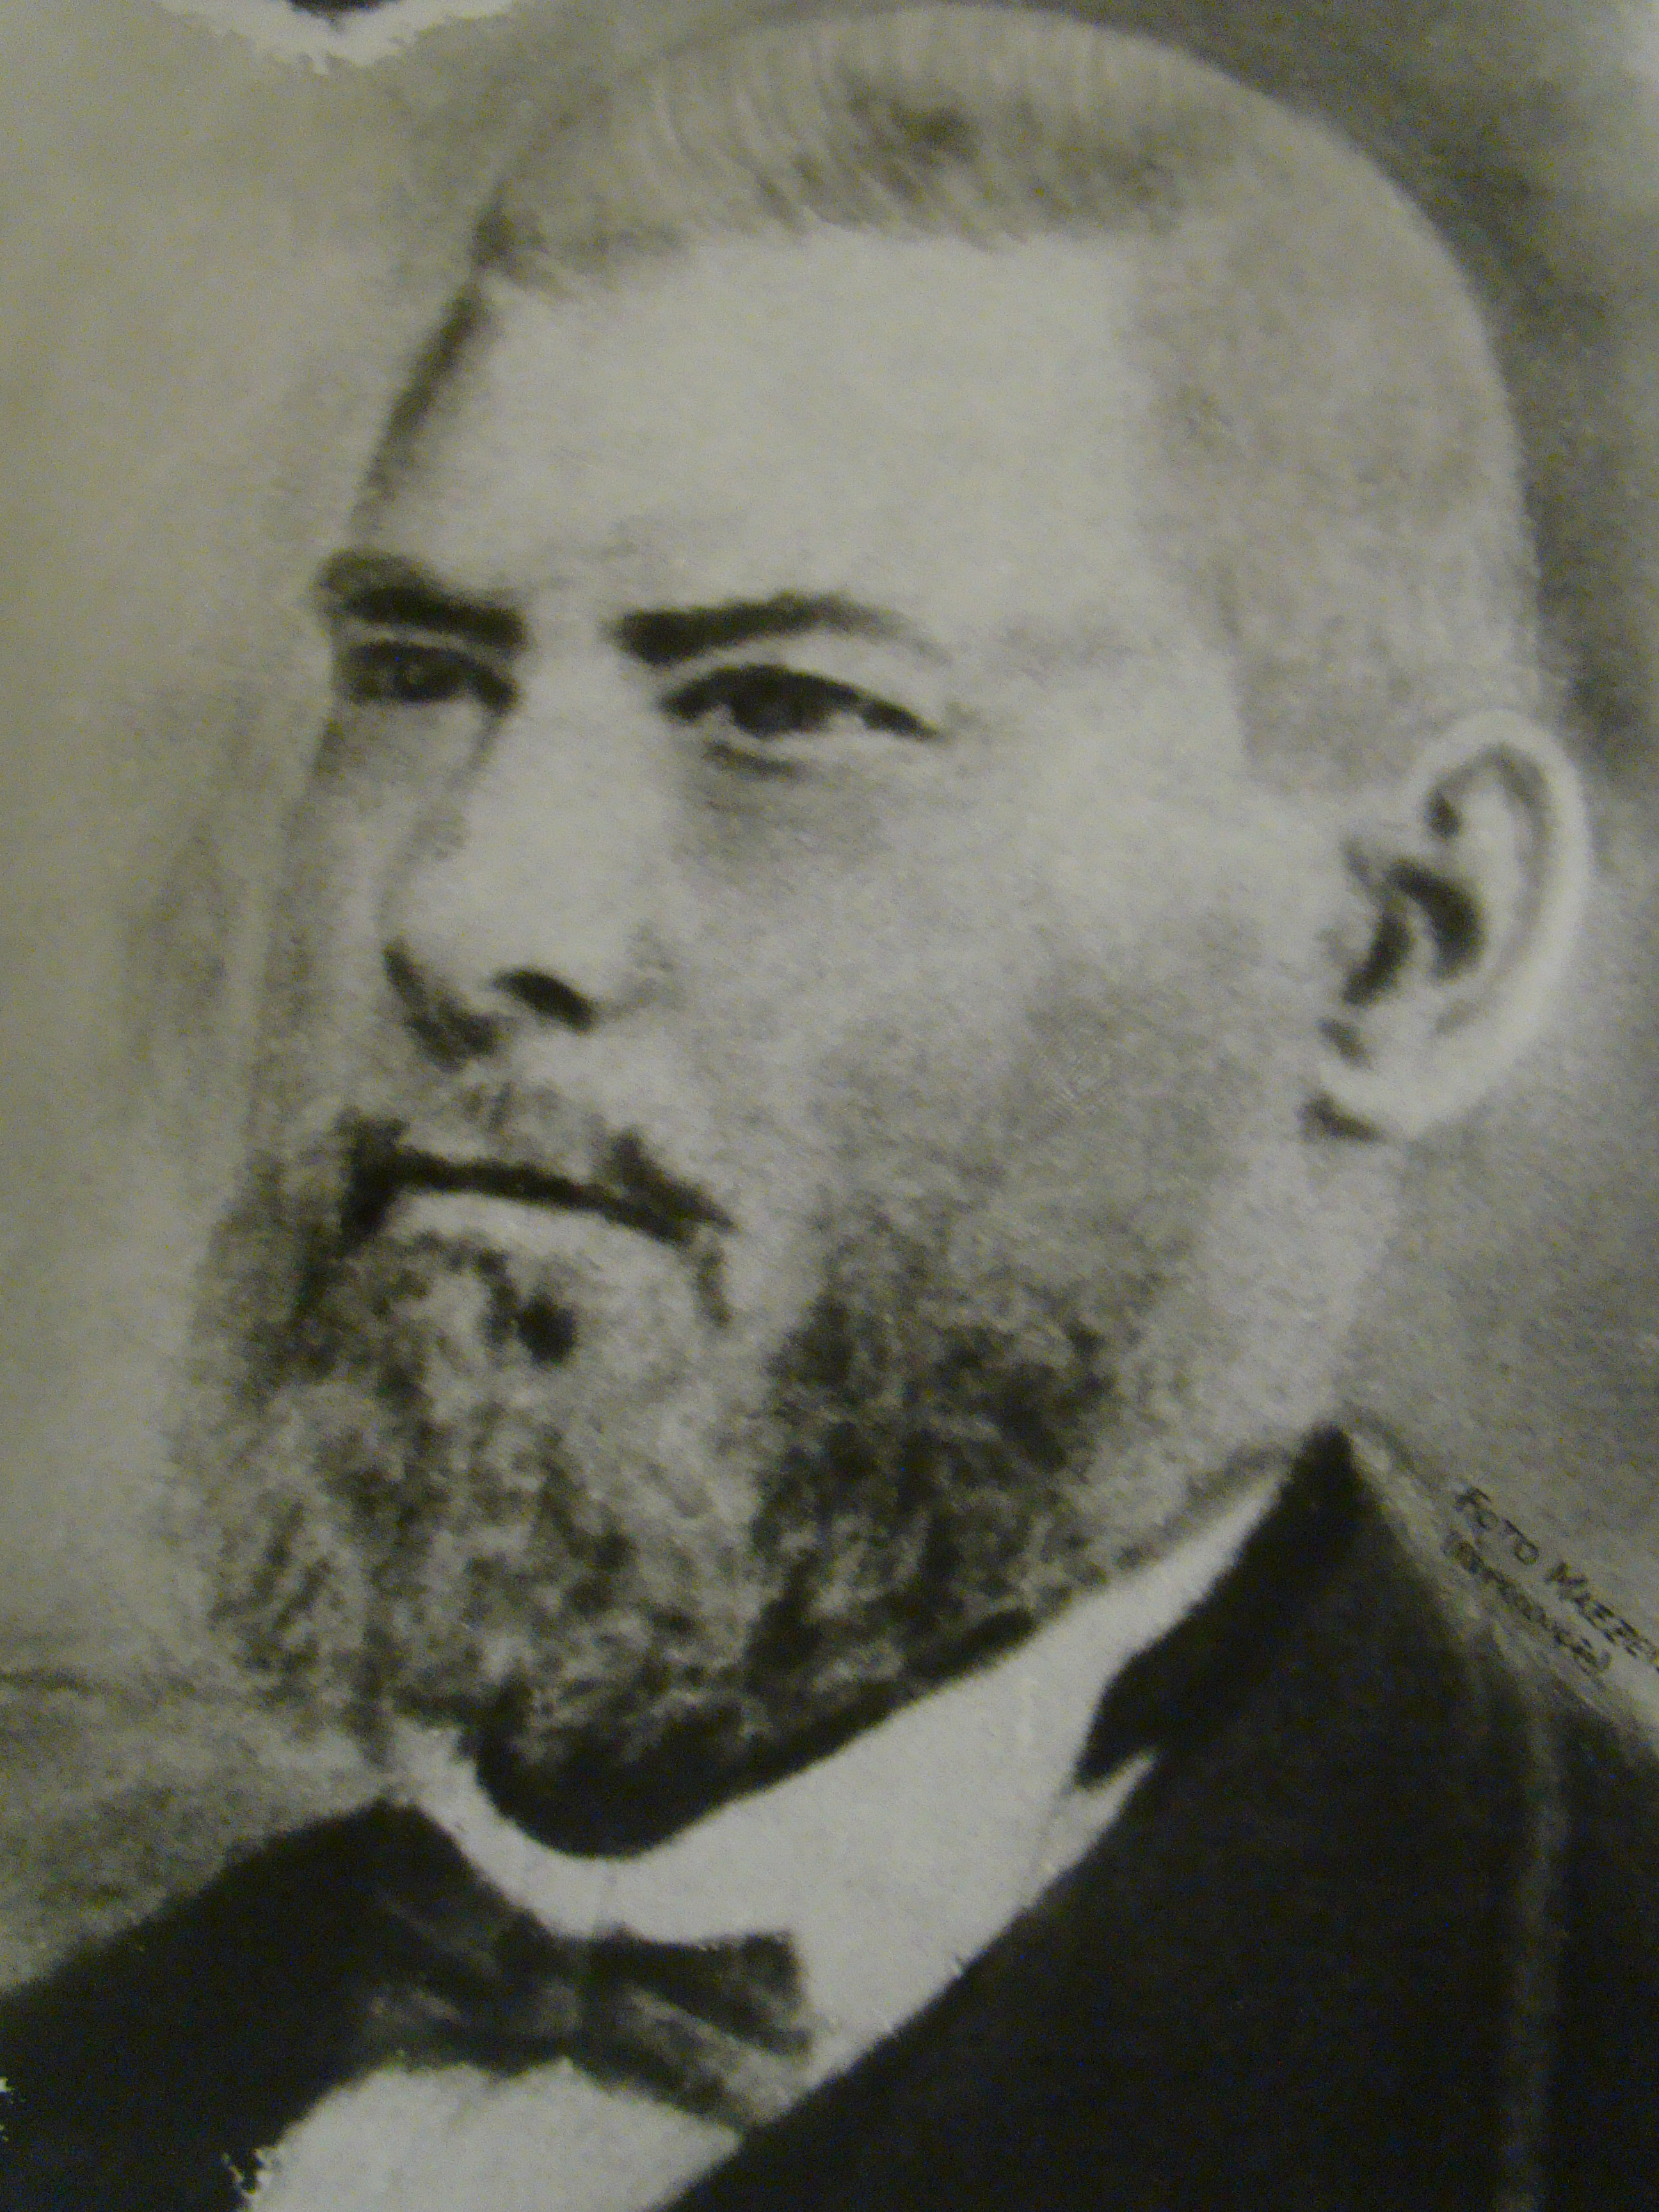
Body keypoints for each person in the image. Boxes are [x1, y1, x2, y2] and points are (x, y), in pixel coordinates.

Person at [3, 7, 1656, 2208]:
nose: (462, 912)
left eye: (786, 708)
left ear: (1408, 943)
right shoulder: (102, 2062)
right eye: (415, 673)